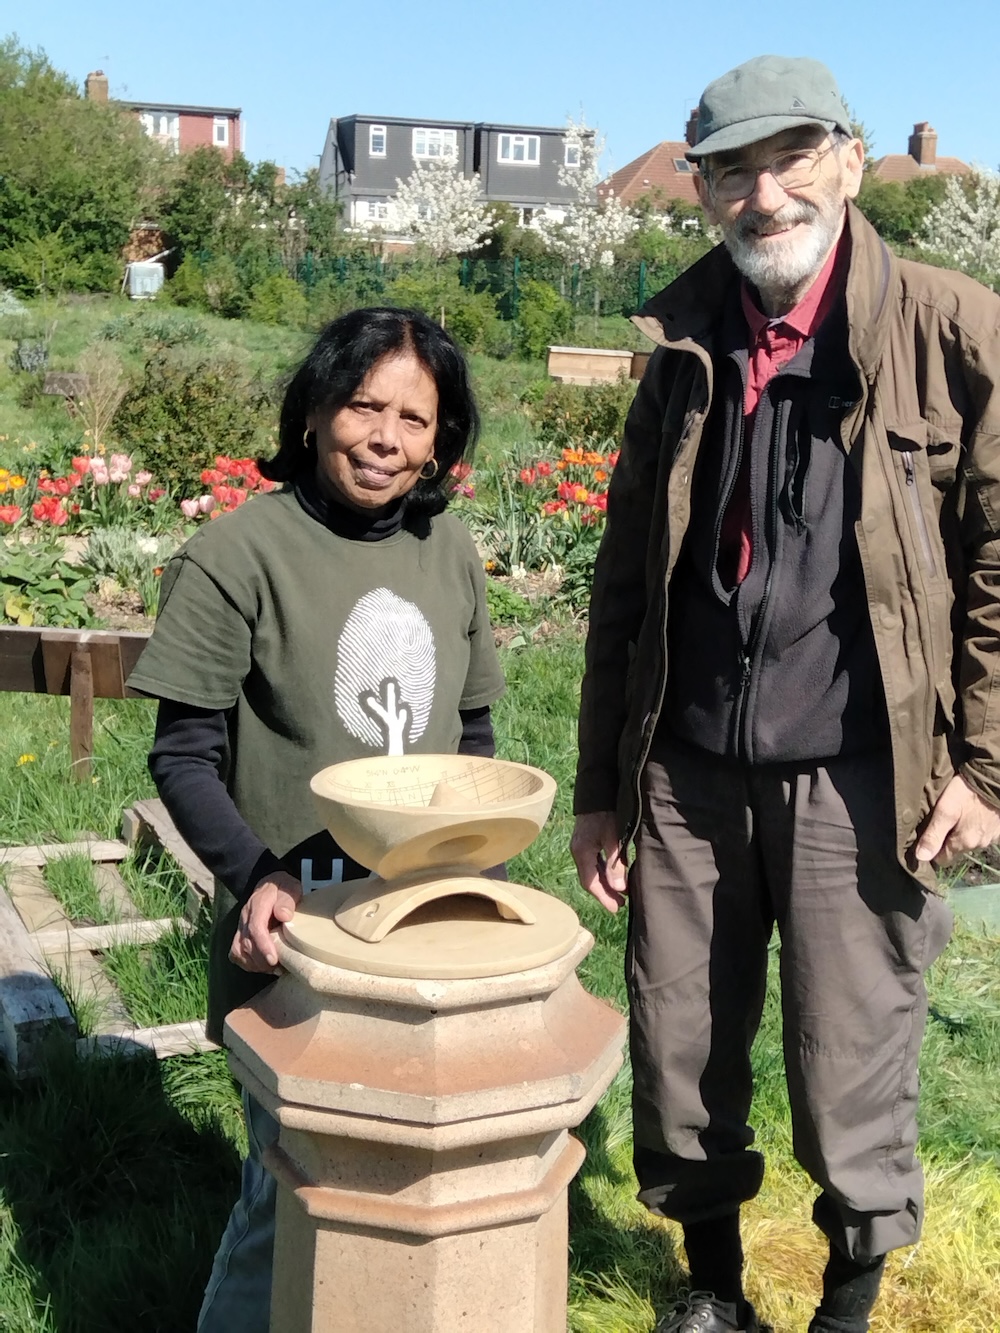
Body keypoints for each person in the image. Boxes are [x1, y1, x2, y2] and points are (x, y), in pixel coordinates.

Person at [571, 54, 1000, 1333]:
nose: (764, 196)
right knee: (679, 1047)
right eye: (731, 171)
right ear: (700, 190)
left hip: (862, 771)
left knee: (848, 1062)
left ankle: (845, 1309)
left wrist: (986, 768)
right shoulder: (684, 341)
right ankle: (712, 1298)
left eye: (789, 159)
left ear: (850, 162)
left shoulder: (950, 326)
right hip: (686, 769)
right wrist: (602, 788)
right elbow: (625, 587)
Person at [127, 307, 505, 1333]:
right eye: (362, 405)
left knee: (410, 1182)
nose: (386, 438)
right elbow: (183, 754)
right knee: (286, 1190)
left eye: (416, 420)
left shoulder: (449, 551)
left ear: (443, 439)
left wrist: (467, 872)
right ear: (313, 412)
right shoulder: (238, 554)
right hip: (294, 930)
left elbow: (472, 739)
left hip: (422, 926)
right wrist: (257, 875)